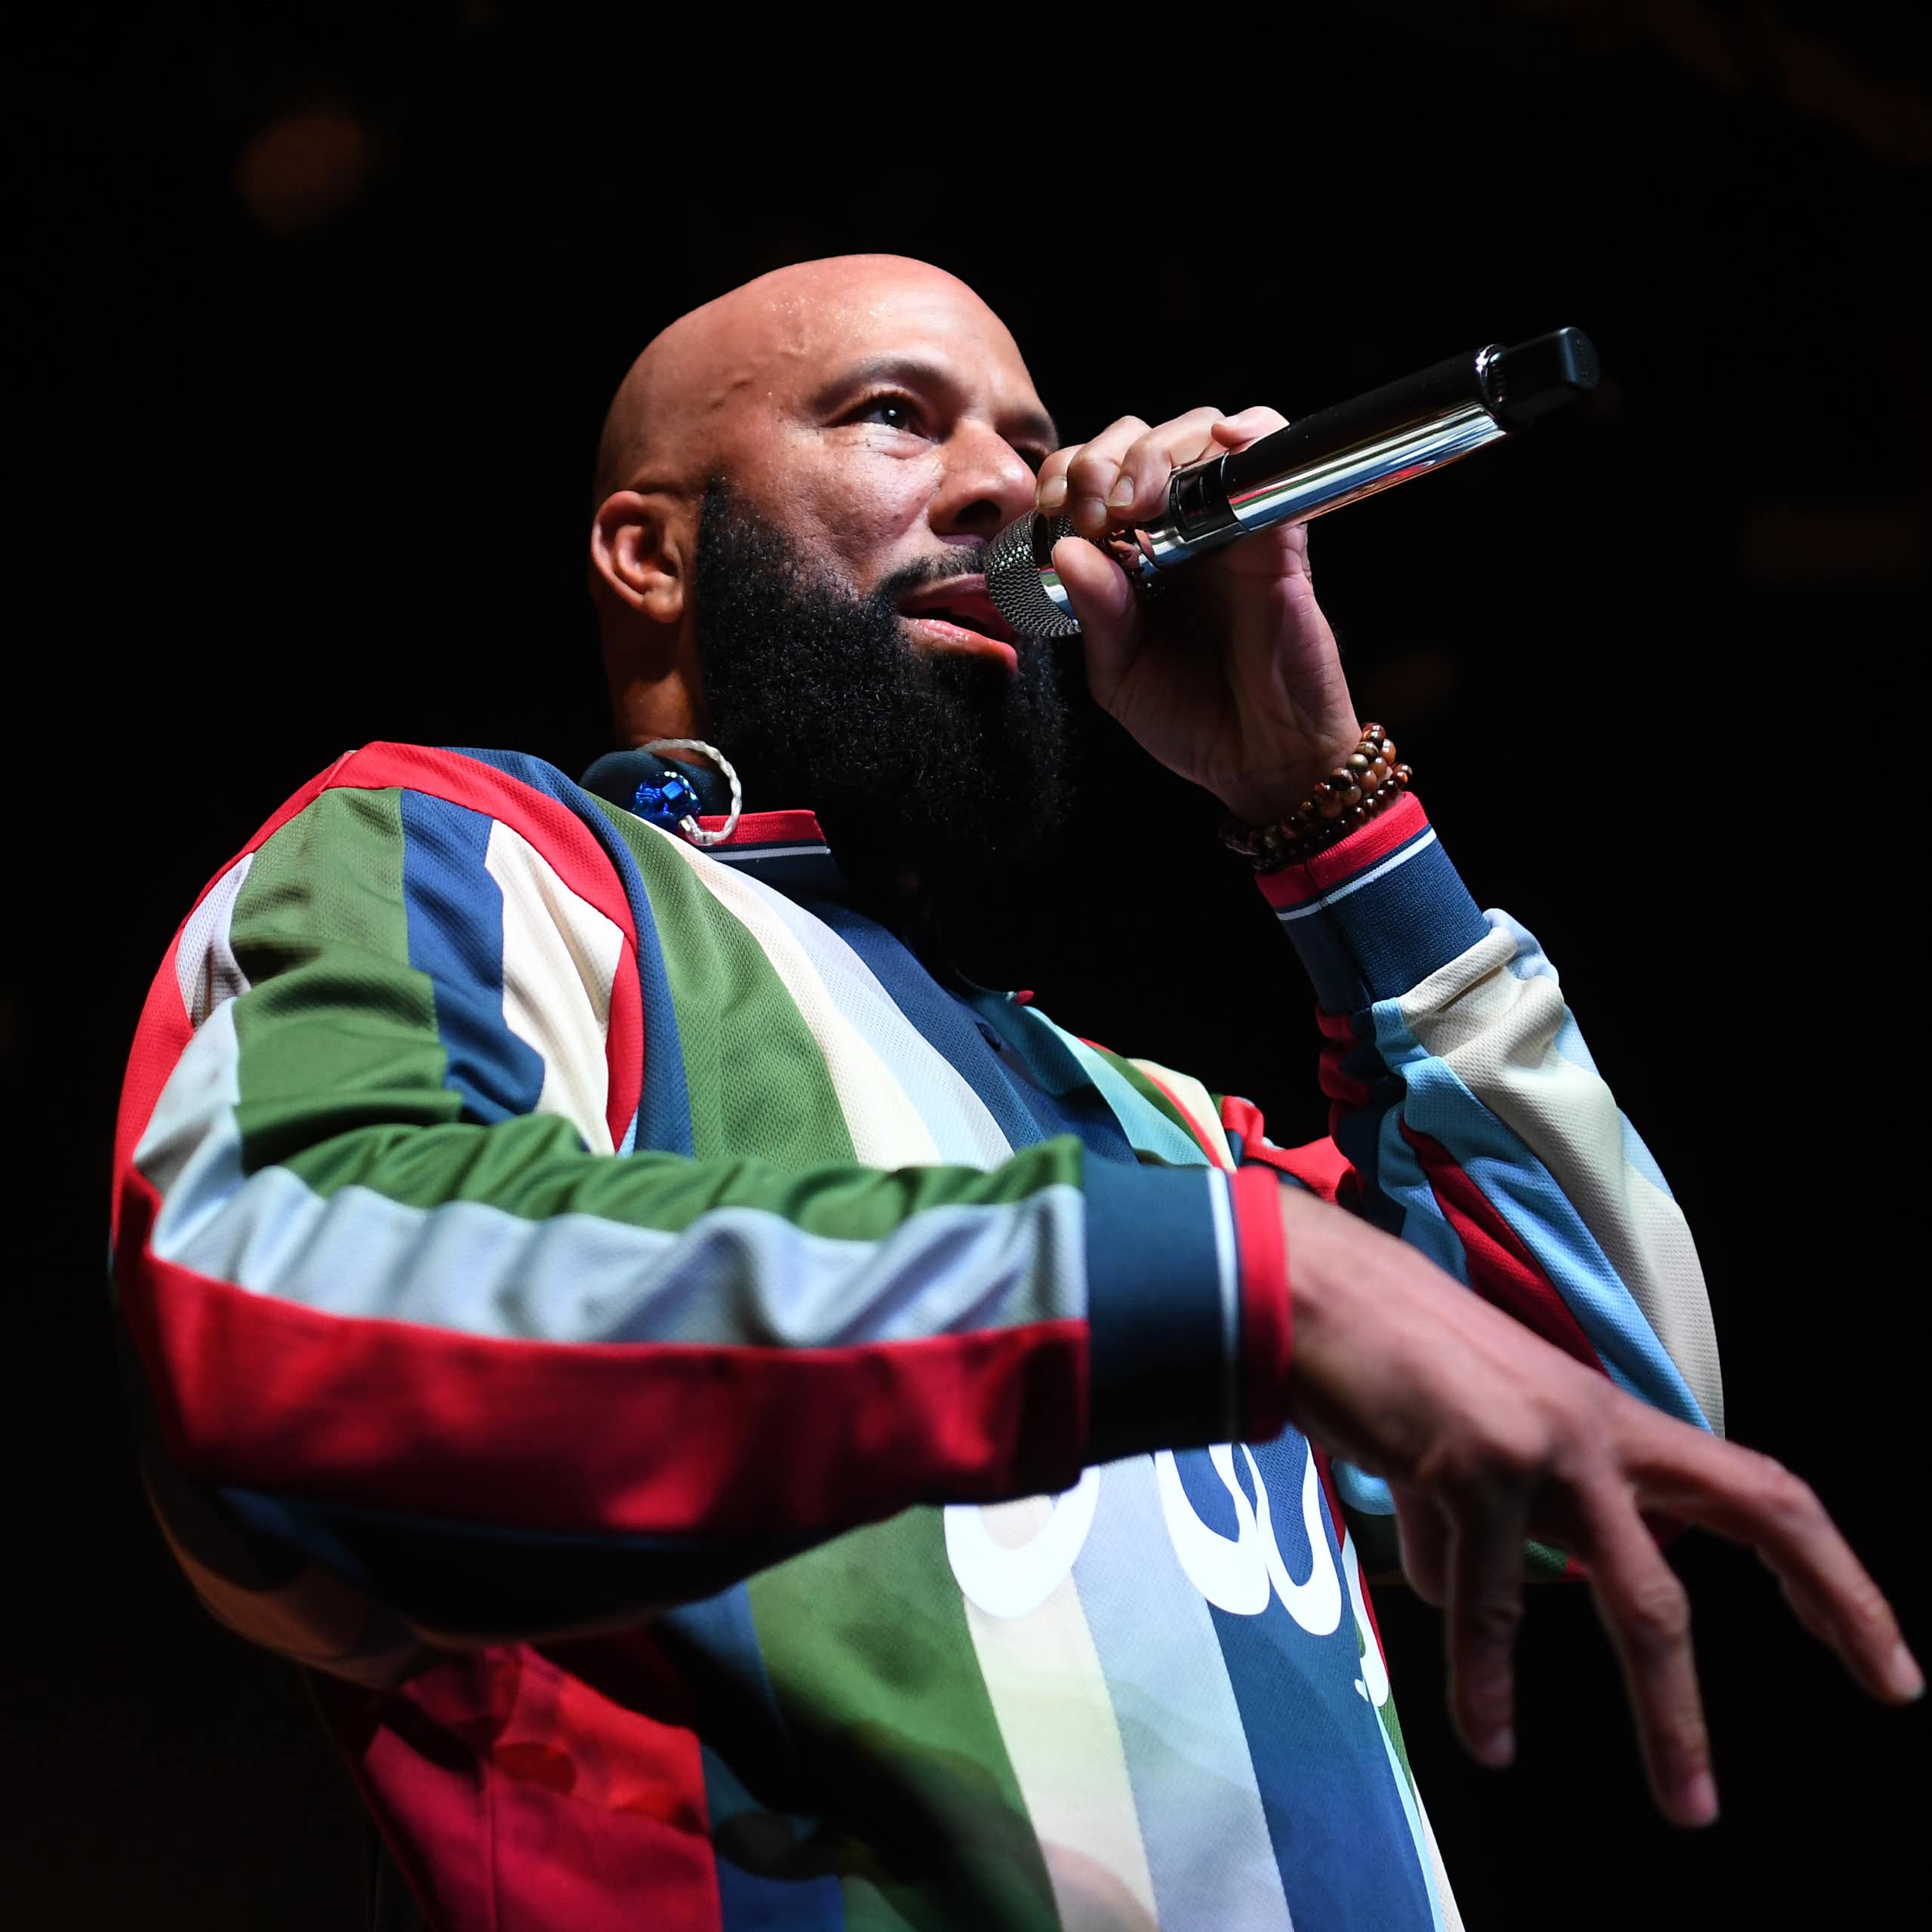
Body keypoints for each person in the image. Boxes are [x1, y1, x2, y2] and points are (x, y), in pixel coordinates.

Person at [111, 255, 1918, 1932]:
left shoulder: (1151, 1132)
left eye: (1036, 446)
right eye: (896, 417)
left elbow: (1611, 1432)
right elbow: (289, 1313)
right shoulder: (465, 853)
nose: (1009, 493)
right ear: (646, 551)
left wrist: (1323, 805)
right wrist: (1219, 1281)